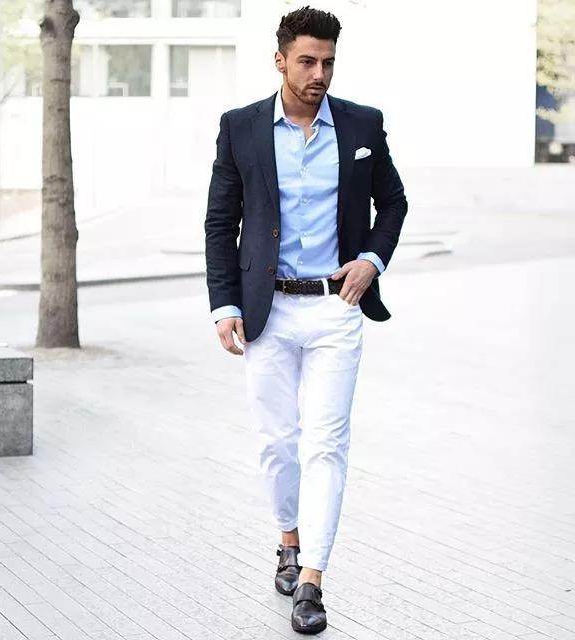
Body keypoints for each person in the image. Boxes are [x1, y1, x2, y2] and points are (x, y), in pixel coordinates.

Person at [205, 5, 407, 634]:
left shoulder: (362, 124)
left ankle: (313, 580)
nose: (319, 74)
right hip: (266, 311)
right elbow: (221, 222)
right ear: (280, 60)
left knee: (326, 445)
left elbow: (393, 203)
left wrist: (371, 260)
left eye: (328, 63)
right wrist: (225, 304)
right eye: (307, 62)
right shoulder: (240, 127)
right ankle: (288, 540)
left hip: (335, 308)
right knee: (277, 442)